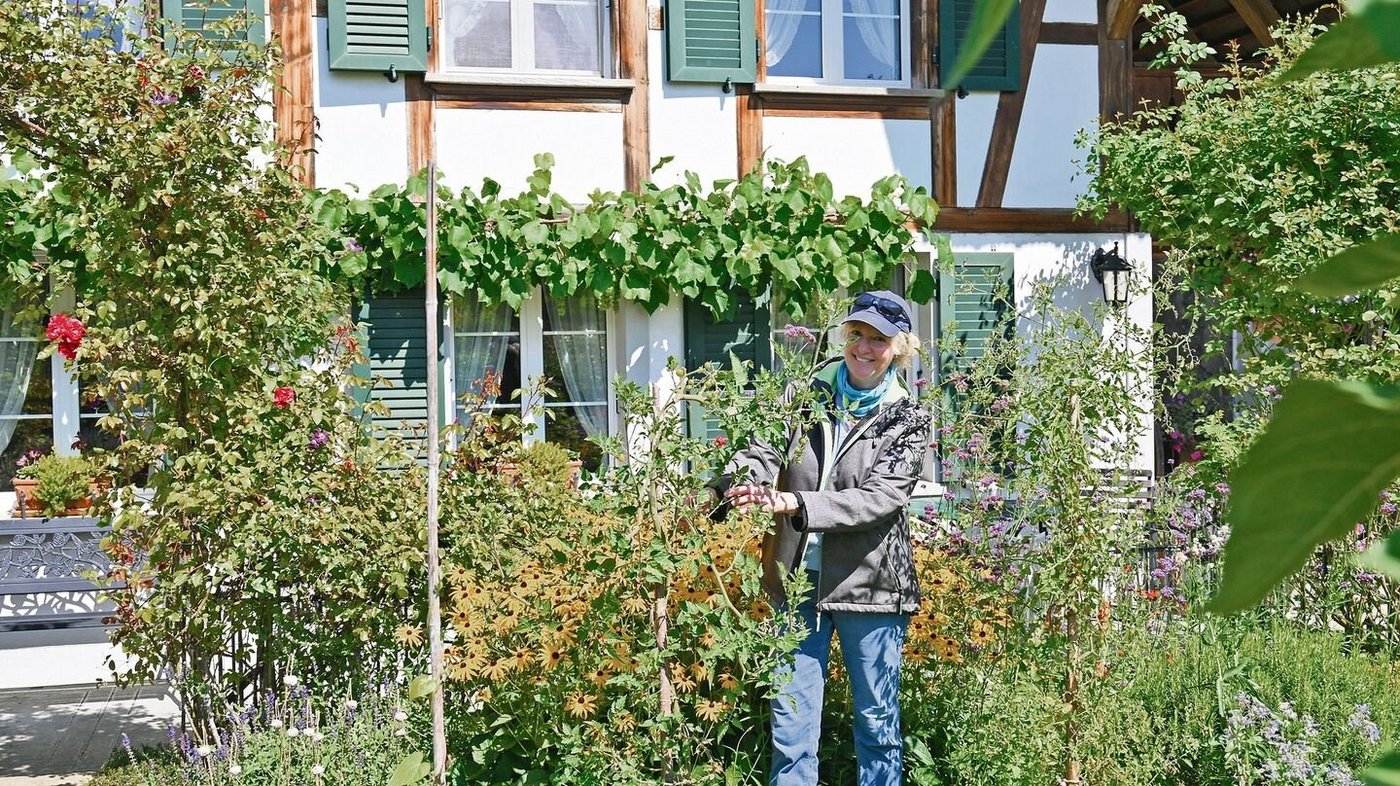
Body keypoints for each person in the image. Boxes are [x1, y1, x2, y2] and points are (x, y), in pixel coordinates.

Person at [711, 290, 931, 786]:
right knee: (791, 721)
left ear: (900, 347)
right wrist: (741, 480)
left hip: (871, 585)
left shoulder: (907, 418)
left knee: (876, 722)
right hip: (798, 583)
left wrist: (796, 504)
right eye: (858, 335)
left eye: (880, 339)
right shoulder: (805, 393)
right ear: (845, 337)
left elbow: (880, 499)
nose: (865, 348)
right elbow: (763, 449)